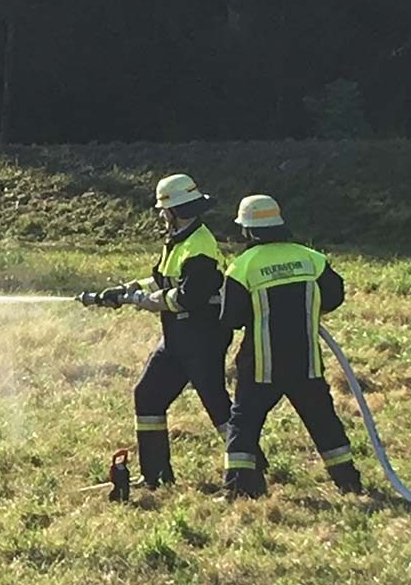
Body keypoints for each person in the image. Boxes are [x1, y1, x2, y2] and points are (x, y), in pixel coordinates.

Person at [88, 174, 233, 492]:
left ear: (174, 211)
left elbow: (188, 296)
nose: (159, 215)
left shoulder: (200, 247)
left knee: (216, 403)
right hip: (178, 338)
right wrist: (127, 290)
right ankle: (155, 476)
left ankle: (248, 471)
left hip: (202, 337)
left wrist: (147, 302)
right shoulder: (179, 240)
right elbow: (161, 280)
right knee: (148, 395)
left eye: (162, 210)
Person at [218, 195, 363, 499]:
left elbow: (230, 318)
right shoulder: (311, 258)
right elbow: (334, 296)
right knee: (323, 420)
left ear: (248, 230)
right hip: (305, 361)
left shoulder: (243, 267)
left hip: (262, 365)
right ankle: (348, 482)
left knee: (244, 423)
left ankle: (239, 489)